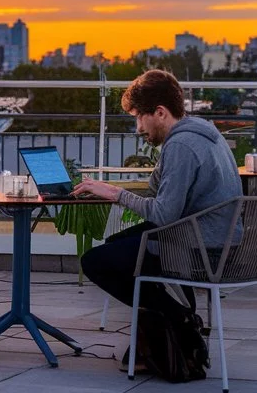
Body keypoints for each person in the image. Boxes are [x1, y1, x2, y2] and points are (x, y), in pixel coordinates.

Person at [72, 69, 242, 323]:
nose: (138, 127)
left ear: (160, 112)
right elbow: (157, 191)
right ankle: (166, 326)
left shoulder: (181, 145)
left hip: (201, 250)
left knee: (96, 262)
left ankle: (178, 320)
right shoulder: (201, 132)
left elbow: (164, 215)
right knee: (115, 243)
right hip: (218, 239)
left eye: (140, 117)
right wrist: (107, 188)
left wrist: (115, 193)